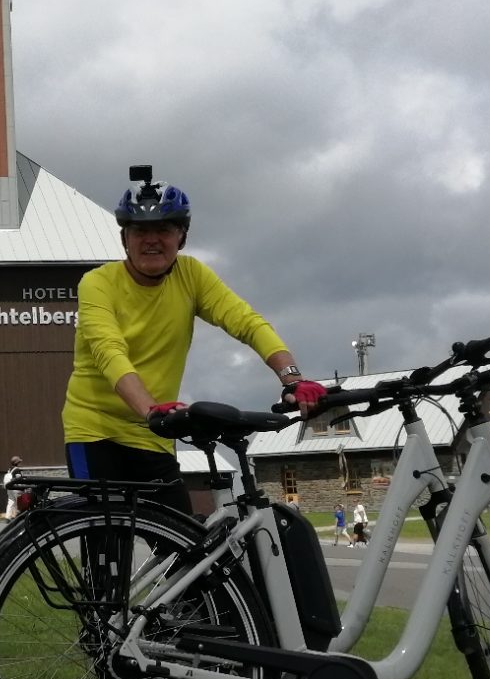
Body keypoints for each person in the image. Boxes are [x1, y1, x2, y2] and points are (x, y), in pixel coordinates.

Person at [63, 169, 325, 490]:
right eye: (140, 230)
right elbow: (109, 352)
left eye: (164, 228)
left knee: (179, 535)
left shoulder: (191, 275)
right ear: (125, 238)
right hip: (96, 429)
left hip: (153, 433)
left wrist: (293, 378)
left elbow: (246, 322)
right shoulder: (98, 283)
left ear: (181, 236)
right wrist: (150, 409)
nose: (152, 239)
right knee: (107, 534)